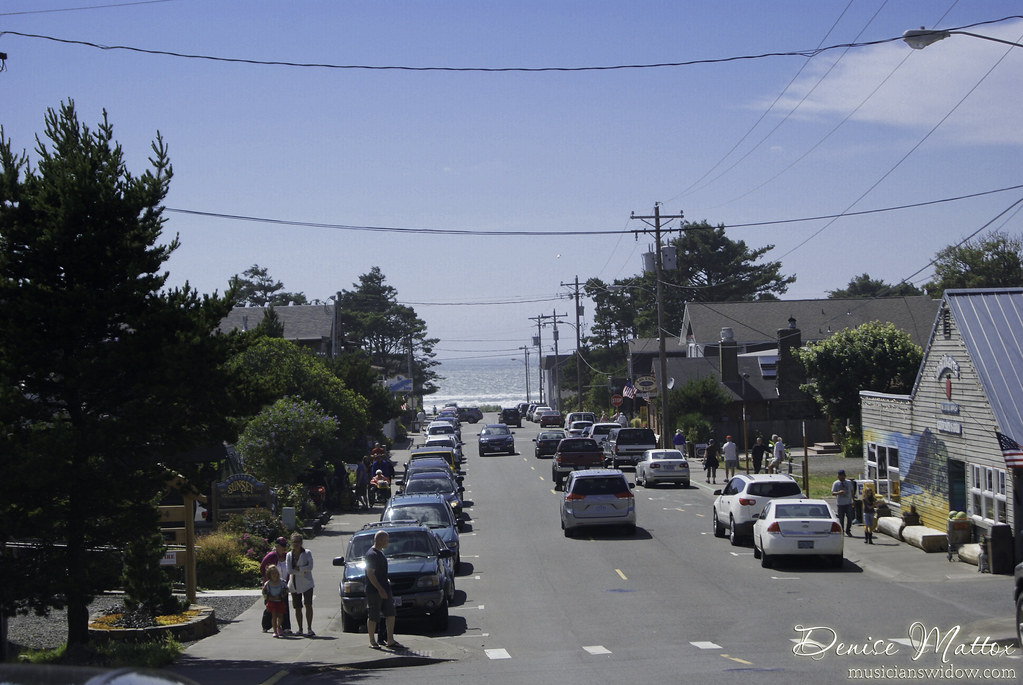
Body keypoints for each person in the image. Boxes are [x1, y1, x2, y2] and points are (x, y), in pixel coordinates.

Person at [365, 530, 403, 650]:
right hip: (374, 591)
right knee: (373, 615)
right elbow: (370, 574)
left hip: (385, 588)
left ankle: (390, 639)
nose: (387, 542)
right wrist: (380, 589)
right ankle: (372, 641)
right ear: (379, 540)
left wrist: (386, 582)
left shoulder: (381, 553)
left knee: (390, 614)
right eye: (386, 540)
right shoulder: (372, 554)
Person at [259, 537, 291, 634]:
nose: (284, 548)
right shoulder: (271, 556)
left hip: (282, 585)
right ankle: (266, 626)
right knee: (270, 608)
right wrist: (269, 579)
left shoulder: (287, 556)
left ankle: (286, 627)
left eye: (285, 545)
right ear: (277, 546)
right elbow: (262, 568)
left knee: (284, 607)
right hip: (271, 586)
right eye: (282, 545)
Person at [286, 533, 315, 636]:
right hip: (294, 584)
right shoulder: (289, 555)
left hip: (307, 583)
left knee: (308, 604)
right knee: (297, 607)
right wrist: (303, 570)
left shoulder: (307, 553)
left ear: (301, 542)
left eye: (298, 542)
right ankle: (300, 629)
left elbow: (310, 567)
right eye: (294, 542)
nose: (296, 544)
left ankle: (309, 628)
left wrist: (299, 569)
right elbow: (289, 570)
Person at [262, 566, 287, 638]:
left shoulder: (282, 582)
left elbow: (286, 590)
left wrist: (281, 596)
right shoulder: (268, 584)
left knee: (281, 616)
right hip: (272, 602)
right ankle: (275, 631)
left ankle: (279, 627)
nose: (274, 575)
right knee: (274, 616)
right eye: (272, 573)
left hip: (280, 601)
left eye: (276, 573)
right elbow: (264, 592)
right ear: (269, 575)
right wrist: (269, 597)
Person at [832, 469, 854, 537]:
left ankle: (848, 530)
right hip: (840, 504)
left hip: (848, 503)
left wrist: (853, 500)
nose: (840, 477)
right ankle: (842, 531)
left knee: (850, 518)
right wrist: (839, 492)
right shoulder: (836, 483)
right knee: (841, 519)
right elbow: (833, 493)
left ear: (844, 476)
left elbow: (852, 491)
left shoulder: (849, 482)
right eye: (839, 476)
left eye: (841, 476)